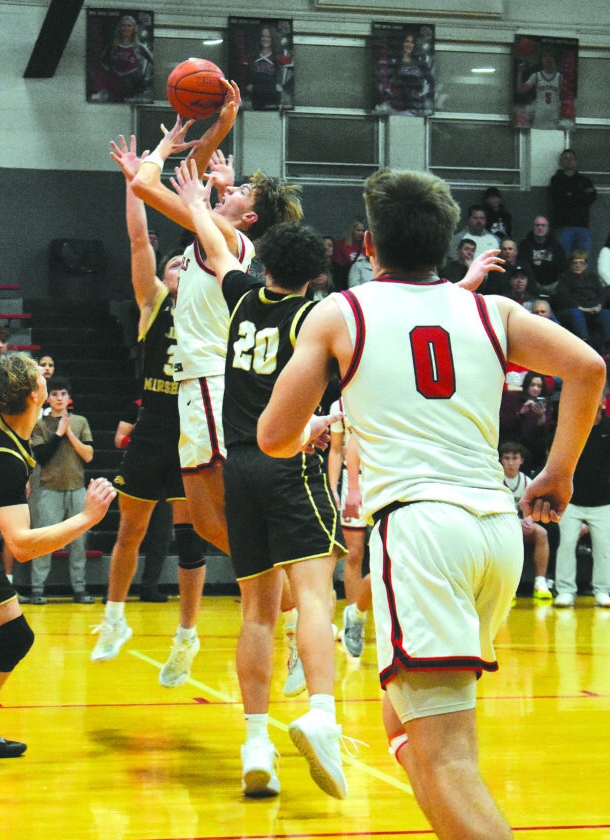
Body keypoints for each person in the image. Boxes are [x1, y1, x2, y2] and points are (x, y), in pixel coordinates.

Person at [257, 167, 605, 840]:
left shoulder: (341, 312)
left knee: (447, 757)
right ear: (447, 244)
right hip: (496, 533)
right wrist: (557, 473)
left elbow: (273, 437)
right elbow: (588, 367)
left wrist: (315, 422)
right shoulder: (492, 311)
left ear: (368, 245)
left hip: (421, 532)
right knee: (405, 722)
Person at [172, 158, 348, 800]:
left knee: (256, 612)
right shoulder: (316, 319)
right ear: (317, 276)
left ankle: (255, 743)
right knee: (314, 597)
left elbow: (219, 251)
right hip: (289, 462)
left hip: (239, 465)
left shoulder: (243, 296)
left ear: (265, 261)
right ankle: (322, 716)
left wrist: (199, 203)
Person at [130, 86, 302, 556]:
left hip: (210, 380)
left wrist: (162, 149)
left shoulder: (224, 237)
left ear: (249, 217)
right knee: (207, 524)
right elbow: (191, 180)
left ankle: (291, 588)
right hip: (195, 384)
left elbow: (147, 186)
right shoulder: (218, 234)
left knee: (234, 513)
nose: (229, 186)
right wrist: (222, 125)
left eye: (241, 190)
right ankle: (284, 584)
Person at [0, 353, 115, 758]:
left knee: (13, 638)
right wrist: (87, 518)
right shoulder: (3, 458)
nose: (45, 374)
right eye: (40, 375)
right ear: (35, 395)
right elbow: (21, 545)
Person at [92, 135, 206, 687]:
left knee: (190, 540)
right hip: (155, 424)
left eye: (187, 261)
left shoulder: (211, 311)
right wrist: (133, 182)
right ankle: (114, 620)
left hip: (194, 428)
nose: (181, 265)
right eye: (175, 263)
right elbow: (139, 237)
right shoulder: (154, 303)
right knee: (130, 529)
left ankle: (187, 637)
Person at [29, 376, 95, 604]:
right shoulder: (39, 424)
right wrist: (58, 433)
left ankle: (79, 589)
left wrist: (69, 433)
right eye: (55, 394)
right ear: (47, 398)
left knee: (79, 542)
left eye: (63, 394)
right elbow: (42, 457)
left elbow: (88, 455)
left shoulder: (80, 422)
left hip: (77, 488)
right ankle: (37, 589)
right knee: (45, 539)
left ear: (69, 397)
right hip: (49, 489)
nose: (59, 398)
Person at [113, 397, 173, 603]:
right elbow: (119, 439)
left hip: (166, 478)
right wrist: (144, 441)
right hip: (139, 473)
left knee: (161, 536)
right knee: (129, 533)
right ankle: (117, 590)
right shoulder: (137, 406)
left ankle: (150, 587)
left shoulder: (176, 405)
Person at [554, 397, 610, 609]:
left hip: (603, 500)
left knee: (604, 548)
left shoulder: (608, 427)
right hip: (571, 501)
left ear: (602, 403)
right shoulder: (573, 425)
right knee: (566, 544)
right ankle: (565, 591)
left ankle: (602, 591)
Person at [329, 402, 371, 659]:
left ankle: (364, 614)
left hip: (384, 478)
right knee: (353, 554)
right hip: (353, 480)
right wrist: (334, 487)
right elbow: (336, 450)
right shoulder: (340, 405)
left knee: (389, 555)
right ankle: (355, 621)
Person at [499, 442, 552, 601]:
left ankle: (540, 582)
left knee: (542, 533)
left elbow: (532, 508)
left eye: (515, 458)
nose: (511, 463)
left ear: (521, 461)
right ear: (501, 460)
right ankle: (506, 587)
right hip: (500, 526)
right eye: (507, 458)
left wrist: (528, 520)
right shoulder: (496, 480)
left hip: (520, 525)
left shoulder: (527, 481)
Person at [500, 371, 555, 475]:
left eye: (539, 386)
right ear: (527, 385)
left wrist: (541, 418)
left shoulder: (543, 404)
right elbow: (504, 423)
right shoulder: (512, 398)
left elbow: (544, 433)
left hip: (532, 444)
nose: (535, 389)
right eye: (532, 385)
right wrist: (521, 413)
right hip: (513, 440)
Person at [554, 249, 610, 352]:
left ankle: (608, 345)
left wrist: (599, 306)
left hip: (592, 309)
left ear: (586, 264)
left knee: (606, 314)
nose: (578, 266)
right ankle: (585, 344)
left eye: (581, 263)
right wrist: (583, 308)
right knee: (576, 314)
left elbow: (601, 294)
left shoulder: (592, 277)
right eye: (575, 263)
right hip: (572, 309)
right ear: (571, 264)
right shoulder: (564, 278)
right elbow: (564, 299)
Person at [90, 14, 153, 103]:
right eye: (123, 25)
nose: (126, 28)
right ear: (119, 28)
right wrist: (109, 73)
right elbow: (102, 60)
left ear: (134, 28)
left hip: (132, 90)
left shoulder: (139, 47)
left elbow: (155, 62)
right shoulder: (112, 45)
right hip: (114, 89)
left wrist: (146, 81)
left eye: (129, 26)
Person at [548, 149, 597, 257]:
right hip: (563, 226)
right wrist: (581, 194)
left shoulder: (585, 180)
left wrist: (570, 194)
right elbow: (559, 199)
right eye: (565, 158)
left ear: (576, 161)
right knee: (563, 258)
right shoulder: (556, 180)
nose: (569, 161)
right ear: (561, 162)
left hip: (582, 226)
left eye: (571, 158)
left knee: (582, 259)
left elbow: (591, 198)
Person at [380, 32, 434, 115]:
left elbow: (431, 82)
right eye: (407, 41)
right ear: (401, 43)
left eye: (412, 42)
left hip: (417, 108)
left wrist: (421, 93)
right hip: (399, 109)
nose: (409, 45)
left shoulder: (419, 63)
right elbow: (385, 83)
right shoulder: (394, 62)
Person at [244, 25, 293, 111]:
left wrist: (281, 87)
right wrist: (248, 85)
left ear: (272, 38)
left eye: (268, 37)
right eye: (263, 36)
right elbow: (243, 75)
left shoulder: (280, 58)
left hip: (273, 100)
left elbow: (292, 74)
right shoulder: (252, 56)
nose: (265, 39)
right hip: (254, 99)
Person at [517, 216, 568, 297]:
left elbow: (563, 266)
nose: (540, 228)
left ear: (547, 228)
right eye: (537, 225)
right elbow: (523, 264)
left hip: (553, 284)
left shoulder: (556, 245)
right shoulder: (525, 244)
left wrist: (541, 263)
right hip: (532, 283)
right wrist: (549, 264)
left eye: (543, 225)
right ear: (533, 227)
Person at [516, 47, 563, 130]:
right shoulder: (536, 76)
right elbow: (520, 90)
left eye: (550, 56)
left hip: (554, 115)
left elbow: (566, 98)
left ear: (554, 59)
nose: (547, 58)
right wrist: (520, 72)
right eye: (545, 56)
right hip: (540, 115)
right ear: (541, 60)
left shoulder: (560, 77)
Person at [332, 218, 366, 291]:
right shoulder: (340, 245)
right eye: (358, 230)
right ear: (352, 230)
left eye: (363, 231)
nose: (361, 233)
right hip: (346, 282)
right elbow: (338, 269)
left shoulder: (366, 247)